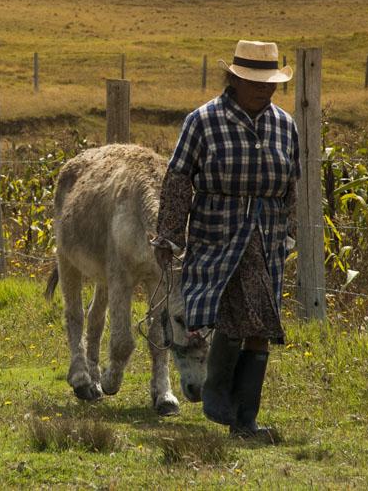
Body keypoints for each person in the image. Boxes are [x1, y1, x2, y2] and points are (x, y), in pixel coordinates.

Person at [152, 40, 299, 438]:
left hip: (266, 239)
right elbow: (179, 179)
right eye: (255, 82)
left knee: (258, 324)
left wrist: (290, 233)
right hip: (218, 237)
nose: (264, 89)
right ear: (233, 79)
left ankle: (237, 413)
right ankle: (233, 410)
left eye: (270, 83)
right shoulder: (202, 122)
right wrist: (168, 235)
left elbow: (291, 187)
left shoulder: (285, 126)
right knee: (243, 321)